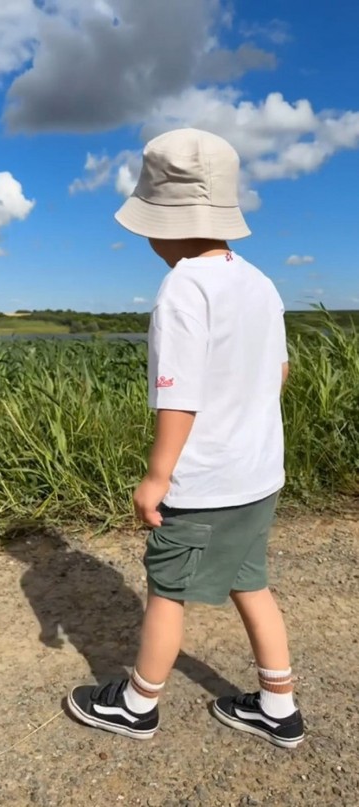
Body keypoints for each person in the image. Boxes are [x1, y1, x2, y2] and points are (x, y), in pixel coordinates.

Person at [67, 128, 304, 749]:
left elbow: (179, 395)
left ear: (162, 222)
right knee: (249, 579)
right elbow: (278, 371)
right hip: (258, 474)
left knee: (167, 592)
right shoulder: (259, 283)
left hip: (204, 483)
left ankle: (138, 703)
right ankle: (278, 704)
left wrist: (158, 475)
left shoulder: (182, 288)